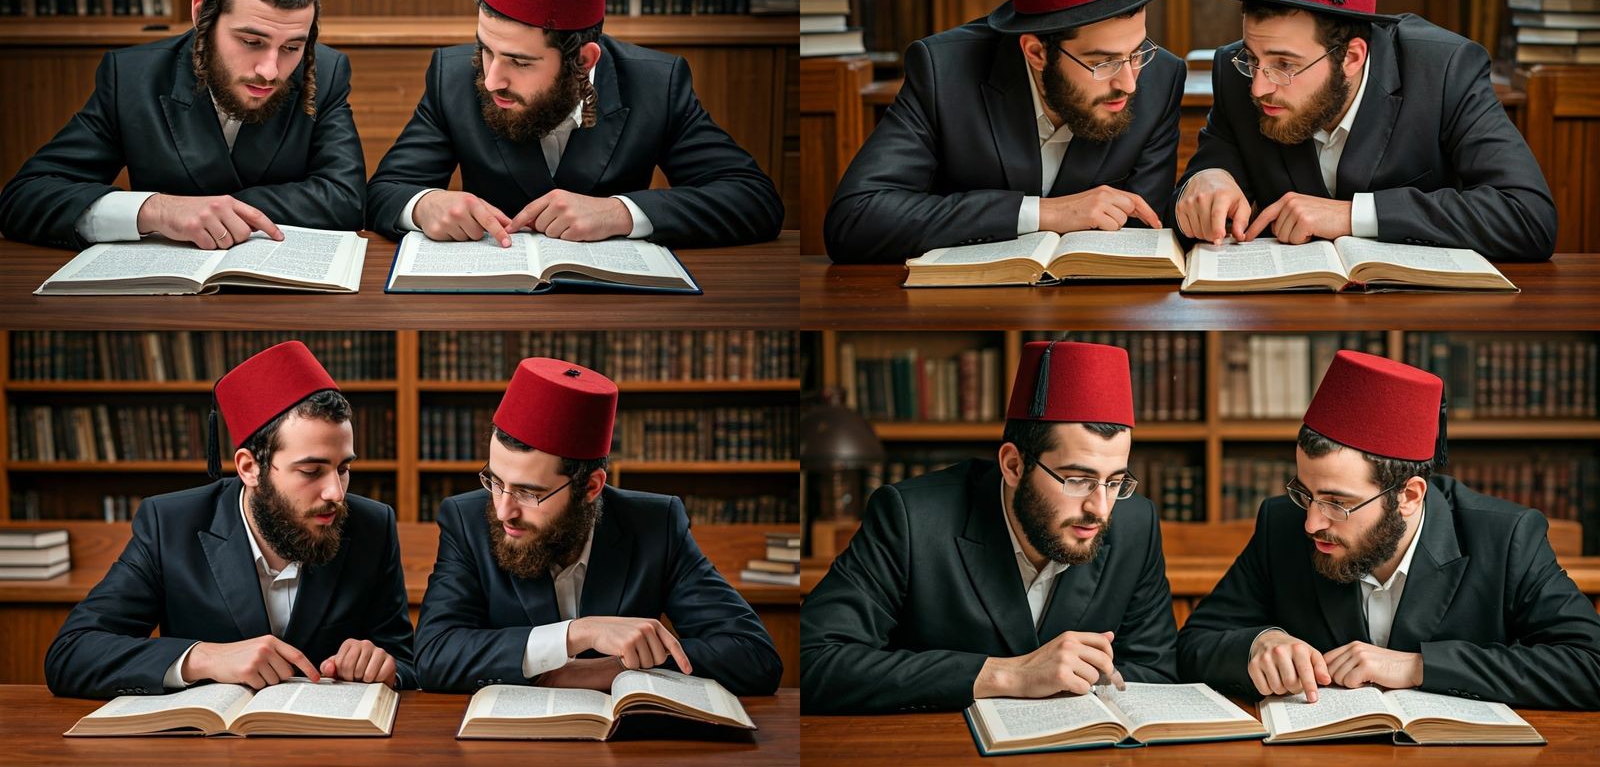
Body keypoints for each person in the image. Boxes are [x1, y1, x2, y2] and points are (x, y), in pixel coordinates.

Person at [1177, 350, 1600, 709]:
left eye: (1337, 503)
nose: (1311, 522)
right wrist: (1258, 644)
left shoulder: (1507, 538)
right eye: (1304, 493)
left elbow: (1590, 664)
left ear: (1410, 496)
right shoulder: (1281, 524)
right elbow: (1194, 644)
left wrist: (1417, 666)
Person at [802, 340, 1179, 713]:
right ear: (1014, 465)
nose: (1100, 508)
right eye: (1077, 480)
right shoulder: (912, 517)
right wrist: (1005, 675)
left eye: (1115, 482)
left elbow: (1156, 672)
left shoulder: (1135, 523)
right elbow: (817, 662)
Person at [366, 0, 783, 249]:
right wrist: (423, 205)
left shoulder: (657, 82)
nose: (491, 78)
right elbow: (383, 191)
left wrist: (620, 213)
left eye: (520, 62)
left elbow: (754, 199)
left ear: (583, 61)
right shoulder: (452, 74)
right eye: (486, 49)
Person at [823, 0, 1184, 264]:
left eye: (1137, 52)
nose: (1129, 82)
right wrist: (1043, 213)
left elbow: (1144, 242)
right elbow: (854, 219)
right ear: (1037, 53)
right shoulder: (943, 72)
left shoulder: (1160, 79)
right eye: (1103, 62)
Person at [45, 341, 415, 698]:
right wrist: (203, 657)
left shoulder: (372, 526)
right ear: (250, 468)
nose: (335, 492)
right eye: (311, 471)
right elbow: (72, 653)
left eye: (343, 468)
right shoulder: (170, 524)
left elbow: (407, 658)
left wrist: (386, 665)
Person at [1172, 0, 1556, 261]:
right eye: (1253, 58)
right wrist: (1206, 179)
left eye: (1285, 66)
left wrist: (1350, 215)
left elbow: (1527, 216)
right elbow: (1200, 181)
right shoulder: (1236, 71)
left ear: (1352, 57)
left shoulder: (1443, 70)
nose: (1259, 85)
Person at [414, 356, 782, 695]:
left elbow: (754, 655)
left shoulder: (657, 524)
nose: (503, 510)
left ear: (590, 487)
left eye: (528, 493)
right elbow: (433, 656)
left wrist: (612, 670)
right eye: (494, 481)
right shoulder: (465, 520)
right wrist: (577, 634)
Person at [0, 0, 366, 251]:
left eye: (292, 47)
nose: (269, 71)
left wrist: (218, 210)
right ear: (201, 15)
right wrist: (155, 209)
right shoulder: (130, 77)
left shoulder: (328, 71)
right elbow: (24, 197)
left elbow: (346, 199)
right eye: (251, 41)